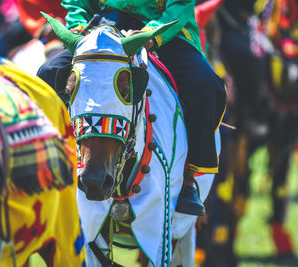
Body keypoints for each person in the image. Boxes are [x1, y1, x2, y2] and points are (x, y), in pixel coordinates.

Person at [37, 0, 227, 216]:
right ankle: (58, 167)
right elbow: (78, 3)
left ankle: (188, 178)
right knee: (48, 74)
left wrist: (151, 34)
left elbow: (180, 5)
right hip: (103, 27)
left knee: (206, 85)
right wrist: (79, 26)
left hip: (164, 29)